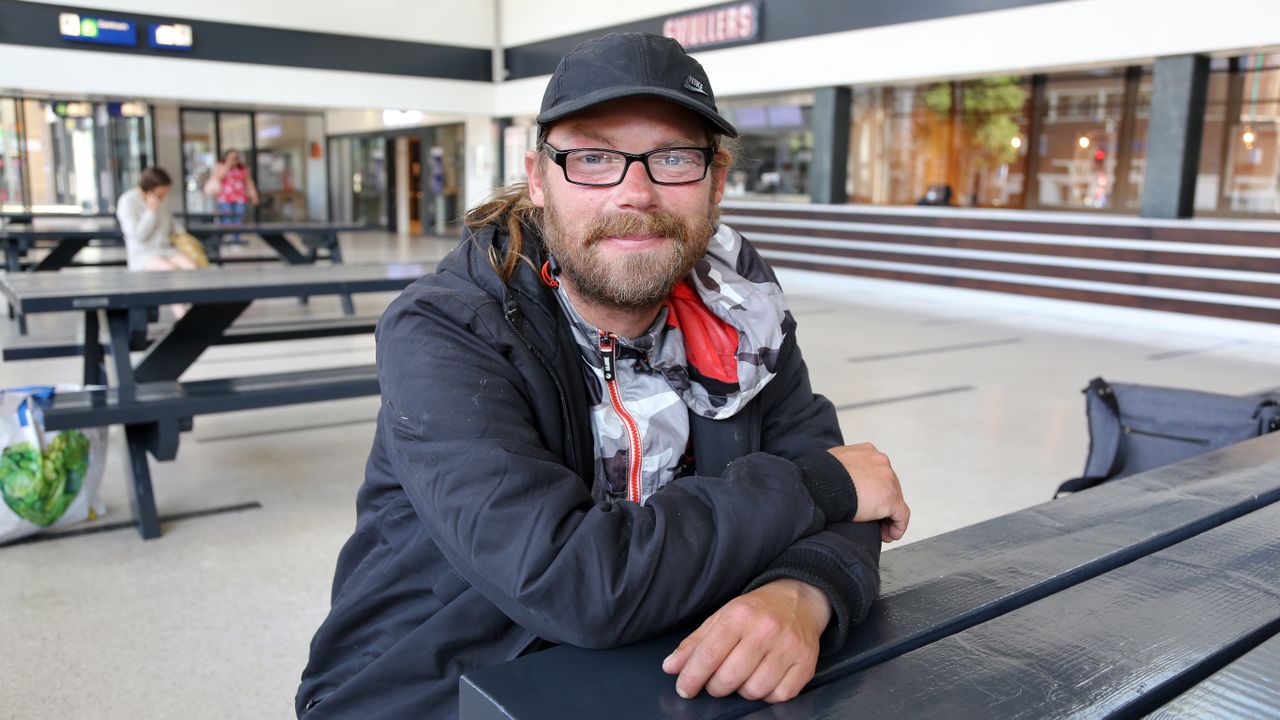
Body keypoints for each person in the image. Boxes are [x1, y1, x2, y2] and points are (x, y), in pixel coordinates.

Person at [297, 33, 910, 719]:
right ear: (538, 179)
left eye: (674, 157)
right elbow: (574, 581)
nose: (635, 192)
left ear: (716, 182)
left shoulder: (743, 311)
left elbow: (848, 494)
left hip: (665, 671)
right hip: (434, 688)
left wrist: (803, 589)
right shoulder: (447, 332)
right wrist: (816, 487)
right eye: (593, 158)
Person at [207, 149, 258, 242]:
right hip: (225, 197)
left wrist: (254, 195)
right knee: (227, 218)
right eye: (231, 157)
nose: (233, 159)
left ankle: (236, 238)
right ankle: (226, 237)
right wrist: (228, 165)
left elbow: (249, 182)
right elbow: (218, 177)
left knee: (239, 218)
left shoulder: (243, 168)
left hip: (240, 197)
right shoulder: (221, 166)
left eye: (235, 157)